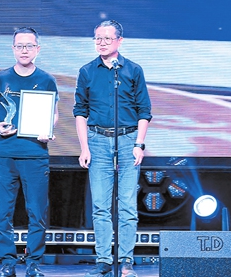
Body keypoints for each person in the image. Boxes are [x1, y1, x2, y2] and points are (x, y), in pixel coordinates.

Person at [73, 20, 152, 277]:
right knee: (100, 206)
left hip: (128, 141)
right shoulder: (87, 71)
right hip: (97, 140)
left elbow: (144, 111)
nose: (102, 43)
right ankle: (104, 260)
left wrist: (139, 144)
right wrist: (84, 148)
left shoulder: (132, 70)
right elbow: (80, 112)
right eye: (98, 38)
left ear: (119, 41)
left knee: (127, 205)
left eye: (107, 39)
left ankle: (126, 260)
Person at [0, 27, 59, 277]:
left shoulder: (47, 79)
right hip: (6, 153)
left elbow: (53, 113)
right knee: (3, 212)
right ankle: (7, 261)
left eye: (29, 46)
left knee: (36, 212)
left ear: (38, 48)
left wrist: (48, 129)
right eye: (19, 46)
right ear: (13, 48)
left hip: (36, 153)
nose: (24, 50)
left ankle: (33, 262)